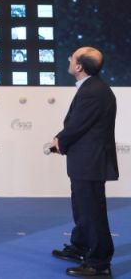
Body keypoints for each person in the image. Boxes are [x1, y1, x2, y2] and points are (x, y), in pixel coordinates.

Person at [49, 47, 118, 278]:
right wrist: (62, 141)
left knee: (91, 212)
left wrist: (59, 141)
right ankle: (80, 247)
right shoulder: (92, 87)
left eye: (72, 57)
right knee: (82, 207)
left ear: (79, 66)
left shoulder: (93, 91)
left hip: (90, 161)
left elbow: (77, 125)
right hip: (85, 159)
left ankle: (99, 263)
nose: (69, 59)